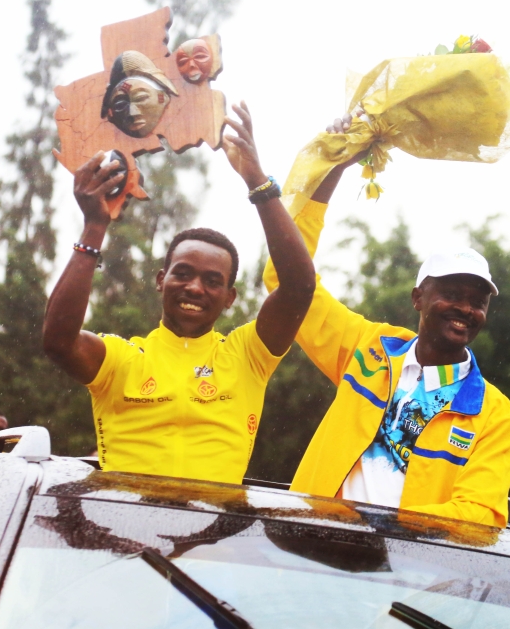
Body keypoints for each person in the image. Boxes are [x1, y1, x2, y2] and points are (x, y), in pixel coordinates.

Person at [262, 115, 510, 528]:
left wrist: (378, 530)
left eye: (477, 301)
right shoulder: (372, 349)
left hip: (405, 580)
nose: (465, 309)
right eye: (452, 295)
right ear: (419, 298)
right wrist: (331, 171)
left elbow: (479, 517)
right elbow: (287, 282)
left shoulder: (494, 415)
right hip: (307, 553)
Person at [43, 102, 315, 485]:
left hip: (210, 543)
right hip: (124, 537)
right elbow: (58, 341)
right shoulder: (123, 359)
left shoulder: (246, 356)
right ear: (160, 280)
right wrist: (94, 226)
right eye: (183, 274)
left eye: (212, 281)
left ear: (230, 298)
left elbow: (300, 288)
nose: (194, 287)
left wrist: (257, 181)